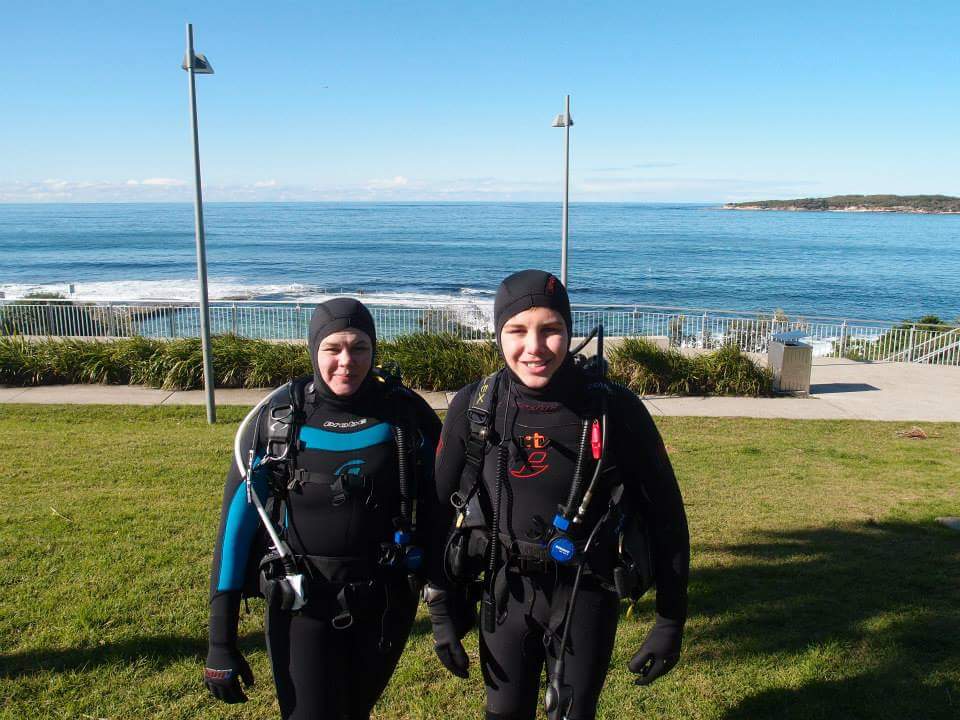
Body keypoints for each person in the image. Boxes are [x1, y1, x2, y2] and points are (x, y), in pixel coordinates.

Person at [425, 270, 690, 720]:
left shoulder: (614, 409)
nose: (534, 347)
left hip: (586, 591)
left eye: (550, 329)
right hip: (504, 590)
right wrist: (441, 611)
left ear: (569, 331)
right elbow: (435, 515)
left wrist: (670, 619)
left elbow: (666, 515)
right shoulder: (474, 407)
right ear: (498, 333)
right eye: (517, 330)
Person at [203, 298, 442, 720]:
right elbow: (235, 525)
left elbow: (440, 511)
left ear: (374, 350)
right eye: (333, 348)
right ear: (314, 349)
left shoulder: (406, 415)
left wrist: (445, 609)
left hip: (384, 604)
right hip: (301, 604)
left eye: (359, 347)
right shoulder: (278, 419)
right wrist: (221, 640)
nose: (346, 361)